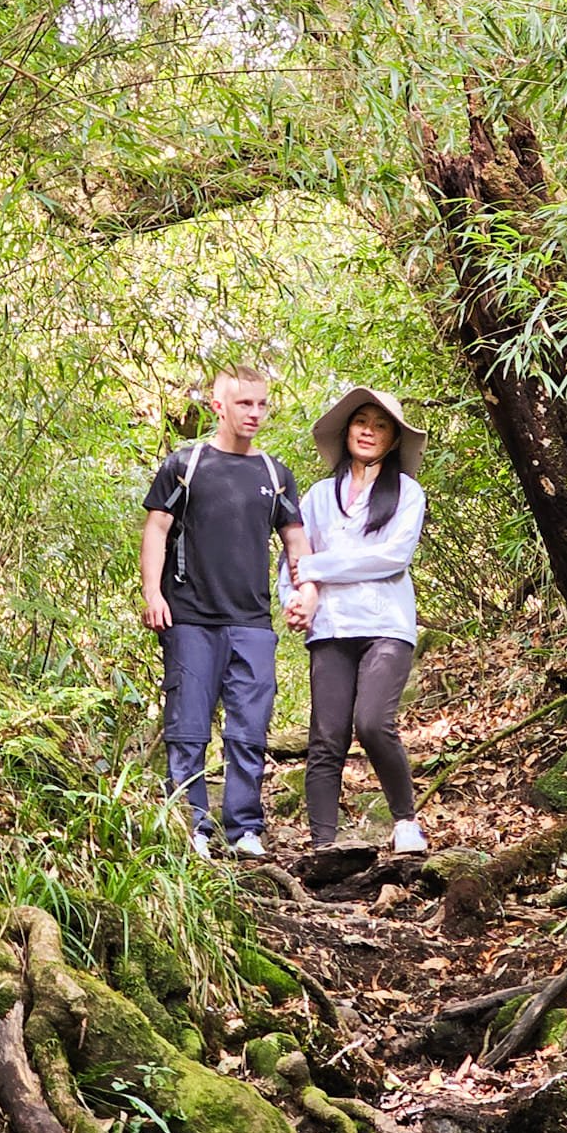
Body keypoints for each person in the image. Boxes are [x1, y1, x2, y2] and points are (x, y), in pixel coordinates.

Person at [141, 365, 305, 860]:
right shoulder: (186, 465)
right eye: (244, 404)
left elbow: (295, 539)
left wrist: (305, 590)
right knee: (188, 725)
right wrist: (153, 593)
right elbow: (157, 529)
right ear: (219, 406)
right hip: (190, 617)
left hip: (251, 622)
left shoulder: (275, 475)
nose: (254, 413)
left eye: (261, 404)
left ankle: (245, 828)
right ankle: (191, 825)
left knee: (249, 728)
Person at [282, 387, 429, 855]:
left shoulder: (407, 493)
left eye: (380, 424)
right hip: (330, 628)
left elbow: (393, 557)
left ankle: (405, 821)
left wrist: (319, 568)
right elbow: (293, 556)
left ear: (393, 439)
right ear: (346, 431)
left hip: (386, 625)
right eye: (360, 421)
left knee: (372, 722)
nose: (368, 430)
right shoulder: (320, 496)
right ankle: (324, 843)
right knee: (326, 736)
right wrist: (293, 598)